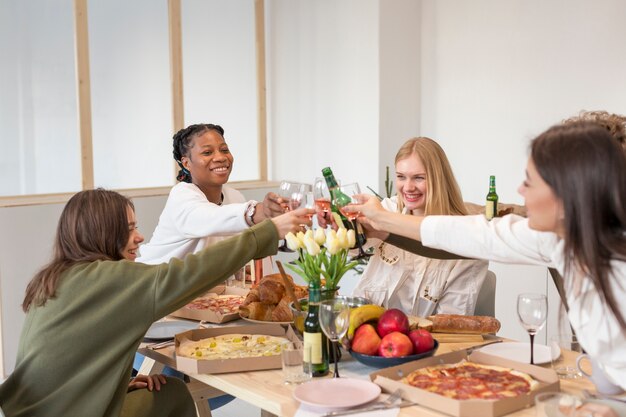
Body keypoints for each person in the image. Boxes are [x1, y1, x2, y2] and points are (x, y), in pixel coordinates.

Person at [348, 122, 626, 417]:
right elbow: (475, 235)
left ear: (568, 191)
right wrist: (378, 221)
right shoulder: (558, 241)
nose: (520, 190)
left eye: (530, 181)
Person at [0, 189, 311, 417]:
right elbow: (190, 273)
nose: (139, 237)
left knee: (165, 390)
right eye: (129, 229)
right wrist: (268, 232)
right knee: (173, 395)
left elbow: (70, 357)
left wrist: (118, 385)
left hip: (27, 409)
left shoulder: (58, 276)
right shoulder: (112, 279)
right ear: (102, 233)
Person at [352, 137, 488, 316]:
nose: (408, 187)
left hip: (425, 342)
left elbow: (451, 320)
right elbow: (353, 247)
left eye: (418, 178)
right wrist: (339, 227)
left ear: (439, 180)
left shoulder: (464, 241)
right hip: (365, 331)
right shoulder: (389, 209)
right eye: (401, 177)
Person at [137, 123, 284, 265]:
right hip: (155, 284)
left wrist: (286, 232)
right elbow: (212, 218)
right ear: (187, 163)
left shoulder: (234, 197)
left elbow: (243, 245)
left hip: (199, 288)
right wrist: (262, 211)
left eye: (224, 150)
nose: (220, 157)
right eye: (207, 152)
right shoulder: (181, 196)